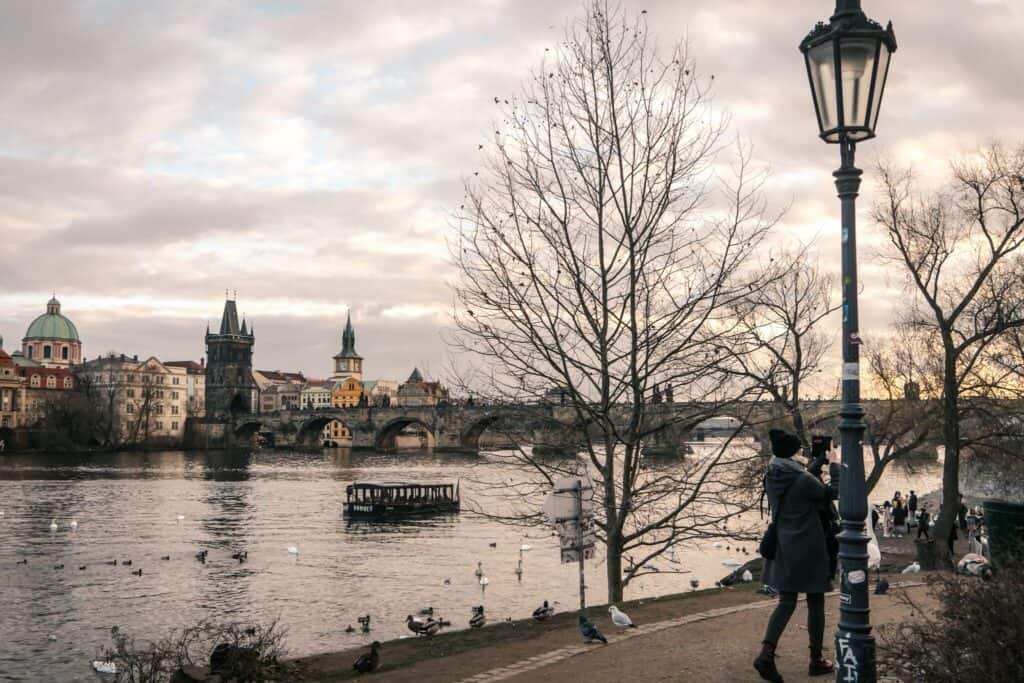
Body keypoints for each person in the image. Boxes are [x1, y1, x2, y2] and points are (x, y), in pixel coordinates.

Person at [753, 429, 839, 681]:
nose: (803, 450)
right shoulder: (801, 479)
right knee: (816, 602)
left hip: (783, 545)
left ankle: (766, 654)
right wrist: (834, 465)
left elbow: (802, 481)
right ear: (792, 452)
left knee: (786, 602)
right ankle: (816, 660)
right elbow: (833, 492)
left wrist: (818, 462)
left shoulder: (774, 474)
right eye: (799, 448)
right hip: (809, 546)